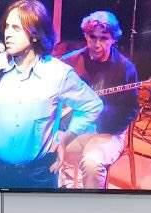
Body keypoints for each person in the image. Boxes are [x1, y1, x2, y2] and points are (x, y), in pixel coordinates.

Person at [0, 0, 103, 189]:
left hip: (38, 175)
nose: (7, 33)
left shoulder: (58, 74)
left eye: (16, 28)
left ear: (35, 34)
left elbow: (92, 105)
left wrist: (65, 139)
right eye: (7, 26)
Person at [58, 11, 139, 189]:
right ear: (86, 36)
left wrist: (101, 114)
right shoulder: (71, 62)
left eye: (103, 38)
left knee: (92, 163)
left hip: (108, 133)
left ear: (113, 39)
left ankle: (92, 203)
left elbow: (130, 110)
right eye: (92, 37)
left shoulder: (126, 69)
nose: (96, 44)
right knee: (44, 148)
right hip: (74, 127)